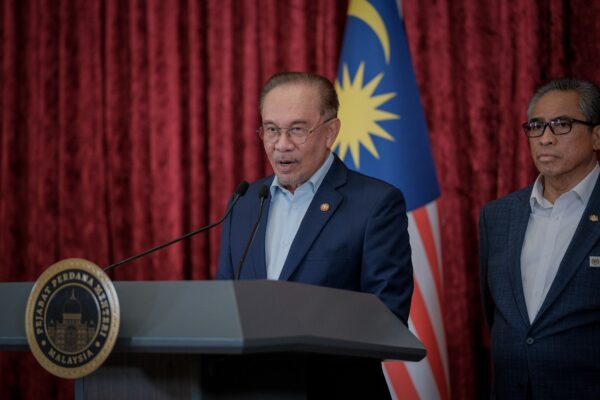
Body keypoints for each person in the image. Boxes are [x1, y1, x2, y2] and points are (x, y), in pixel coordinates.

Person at [216, 71, 413, 397]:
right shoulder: (245, 202)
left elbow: (387, 315)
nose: (281, 145)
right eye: (271, 129)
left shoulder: (375, 203)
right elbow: (224, 303)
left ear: (330, 132)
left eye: (297, 130)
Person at [479, 78, 600, 399]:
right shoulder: (497, 216)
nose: (545, 138)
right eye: (536, 126)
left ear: (596, 136)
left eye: (561, 125)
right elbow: (495, 314)